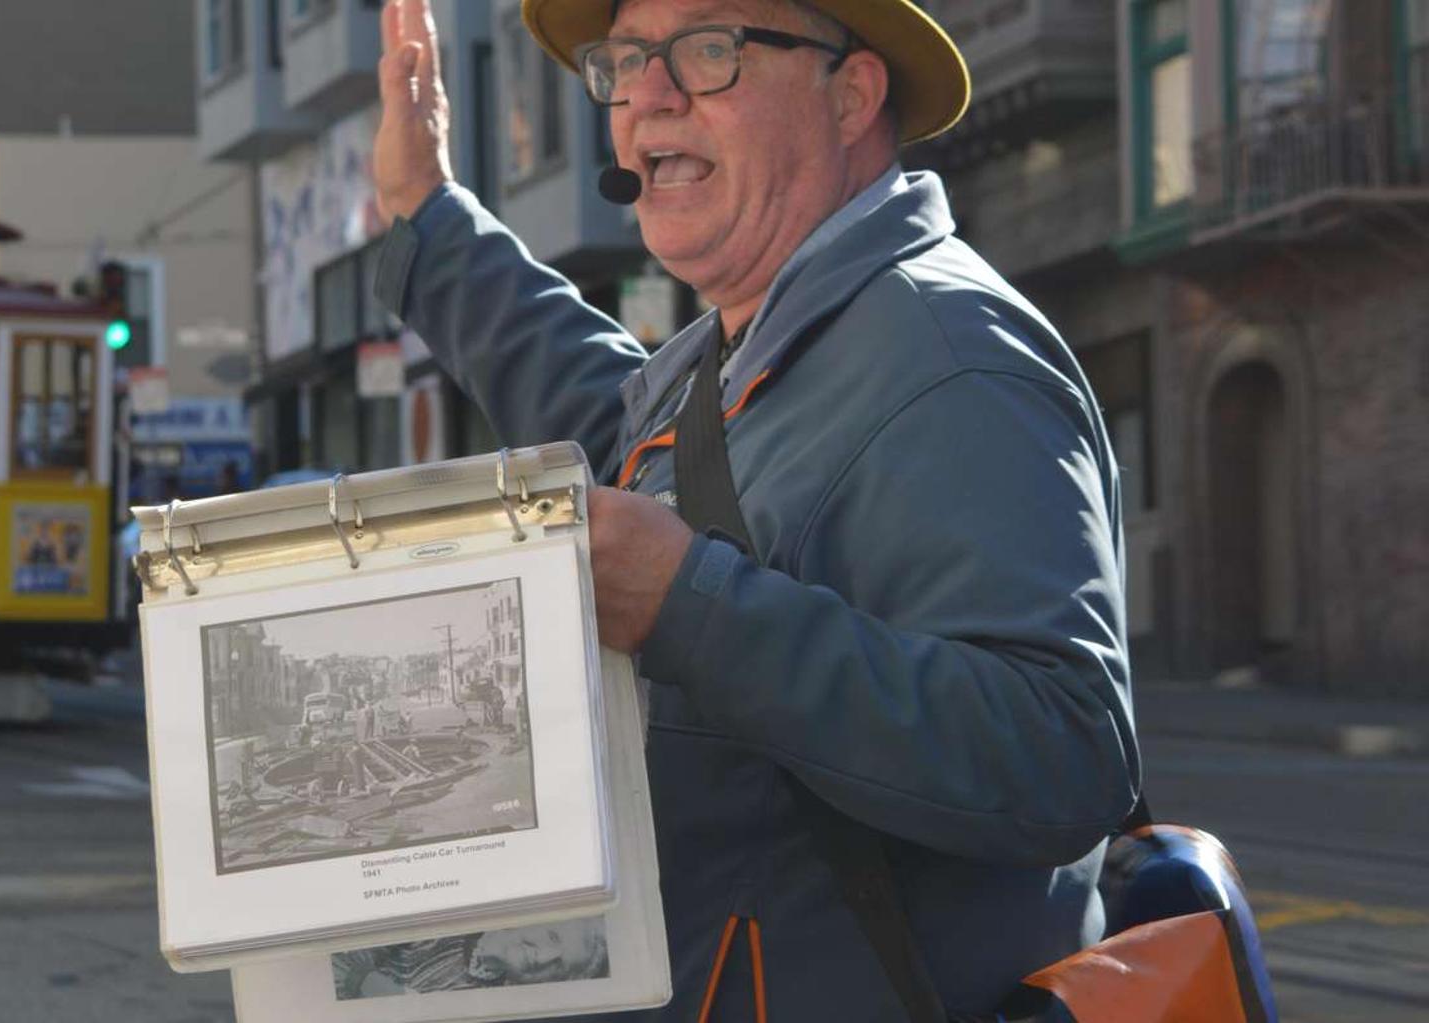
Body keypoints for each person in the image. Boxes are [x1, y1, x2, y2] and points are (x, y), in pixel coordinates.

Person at [370, 1, 1139, 1018]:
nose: (648, 95)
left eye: (708, 50)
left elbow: (1062, 754)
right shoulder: (756, 339)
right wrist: (427, 213)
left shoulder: (953, 356)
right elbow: (614, 427)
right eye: (627, 60)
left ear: (850, 94)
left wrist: (688, 605)